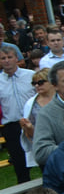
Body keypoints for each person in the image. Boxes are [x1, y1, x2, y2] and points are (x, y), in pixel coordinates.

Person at [0, 45, 34, 184]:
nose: (7, 61)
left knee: (44, 159)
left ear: (16, 58)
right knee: (20, 165)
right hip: (12, 126)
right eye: (3, 58)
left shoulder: (31, 75)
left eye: (9, 57)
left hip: (34, 123)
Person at [19, 68, 53, 171]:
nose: (37, 86)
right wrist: (28, 128)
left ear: (52, 81)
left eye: (41, 82)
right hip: (44, 145)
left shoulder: (63, 98)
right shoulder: (31, 104)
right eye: (34, 83)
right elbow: (31, 136)